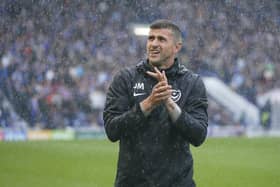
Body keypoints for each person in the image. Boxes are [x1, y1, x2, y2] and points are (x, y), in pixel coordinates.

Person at [103, 19, 208, 187]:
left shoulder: (192, 82)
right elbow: (112, 130)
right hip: (133, 183)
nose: (153, 44)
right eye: (151, 38)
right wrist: (148, 104)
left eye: (161, 39)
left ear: (177, 47)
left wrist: (169, 103)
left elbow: (198, 136)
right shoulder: (125, 78)